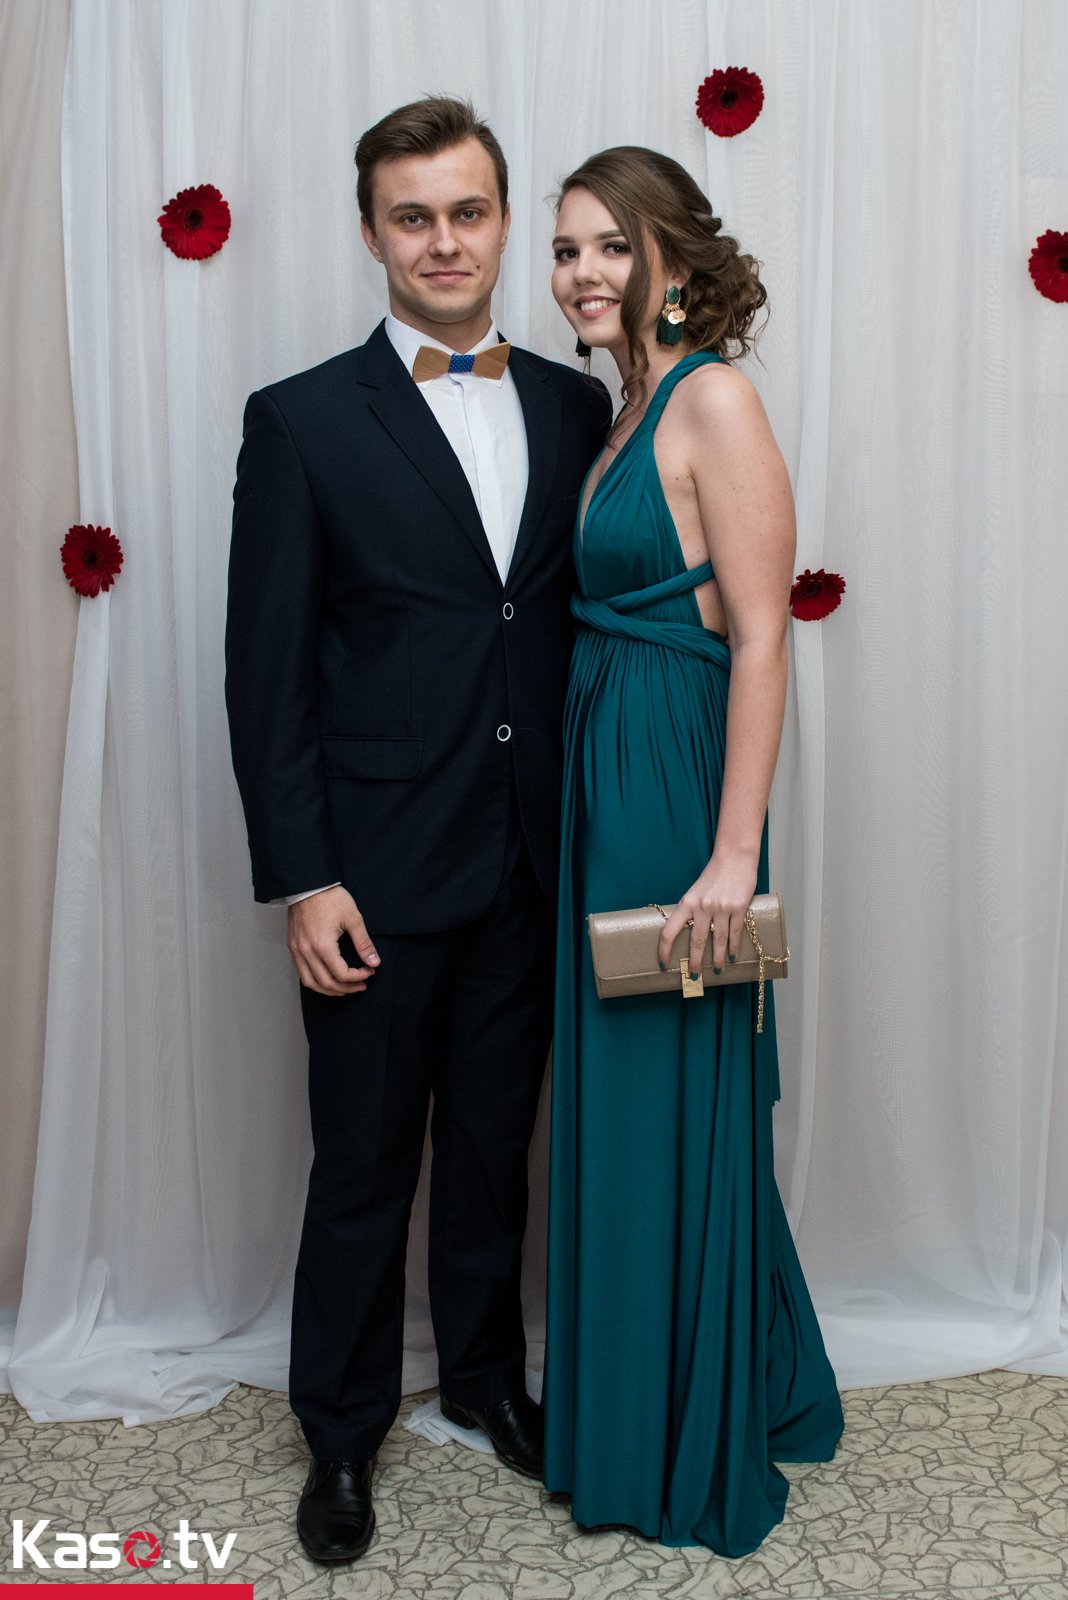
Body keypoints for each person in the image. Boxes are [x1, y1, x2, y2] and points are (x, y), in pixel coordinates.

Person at [225, 97, 609, 1565]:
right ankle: (340, 1433)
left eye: (468, 212)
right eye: (413, 216)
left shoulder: (575, 405)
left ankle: (487, 1380)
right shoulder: (303, 419)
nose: (444, 241)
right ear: (372, 232)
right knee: (364, 1166)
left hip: (530, 855)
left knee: (498, 1147)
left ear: (503, 223)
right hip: (374, 873)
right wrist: (303, 877)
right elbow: (266, 674)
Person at [542, 146, 844, 1555]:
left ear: (672, 254)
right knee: (620, 1098)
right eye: (566, 250)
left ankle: (671, 1433)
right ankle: (641, 1399)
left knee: (661, 1092)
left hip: (672, 788)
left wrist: (732, 856)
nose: (583, 273)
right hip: (607, 774)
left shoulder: (712, 396)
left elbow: (765, 637)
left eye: (611, 244)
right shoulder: (629, 407)